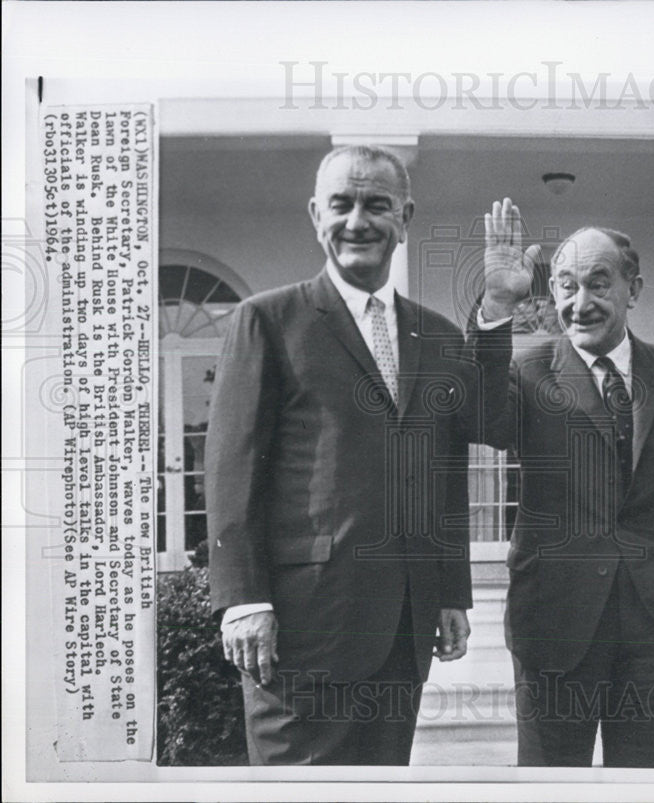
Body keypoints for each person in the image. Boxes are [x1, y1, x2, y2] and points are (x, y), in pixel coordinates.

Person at [206, 145, 476, 765]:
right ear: (314, 215)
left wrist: (449, 590)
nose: (358, 221)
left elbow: (445, 472)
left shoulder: (436, 335)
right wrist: (245, 600)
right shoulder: (267, 322)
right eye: (342, 204)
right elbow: (230, 471)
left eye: (377, 205)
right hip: (302, 634)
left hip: (403, 627)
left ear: (404, 218)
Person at [469, 200, 654, 767]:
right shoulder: (528, 371)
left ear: (633, 289)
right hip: (556, 622)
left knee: (652, 786)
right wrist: (496, 304)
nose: (578, 304)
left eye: (598, 284)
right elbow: (484, 420)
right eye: (565, 286)